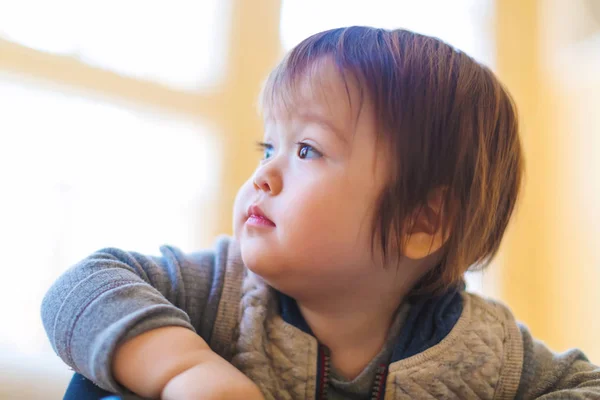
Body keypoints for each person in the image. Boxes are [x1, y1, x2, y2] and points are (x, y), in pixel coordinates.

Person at [42, 26, 600, 400]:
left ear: (421, 222)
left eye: (306, 149)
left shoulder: (484, 350)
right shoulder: (219, 290)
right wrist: (184, 368)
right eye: (268, 148)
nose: (264, 174)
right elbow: (80, 287)